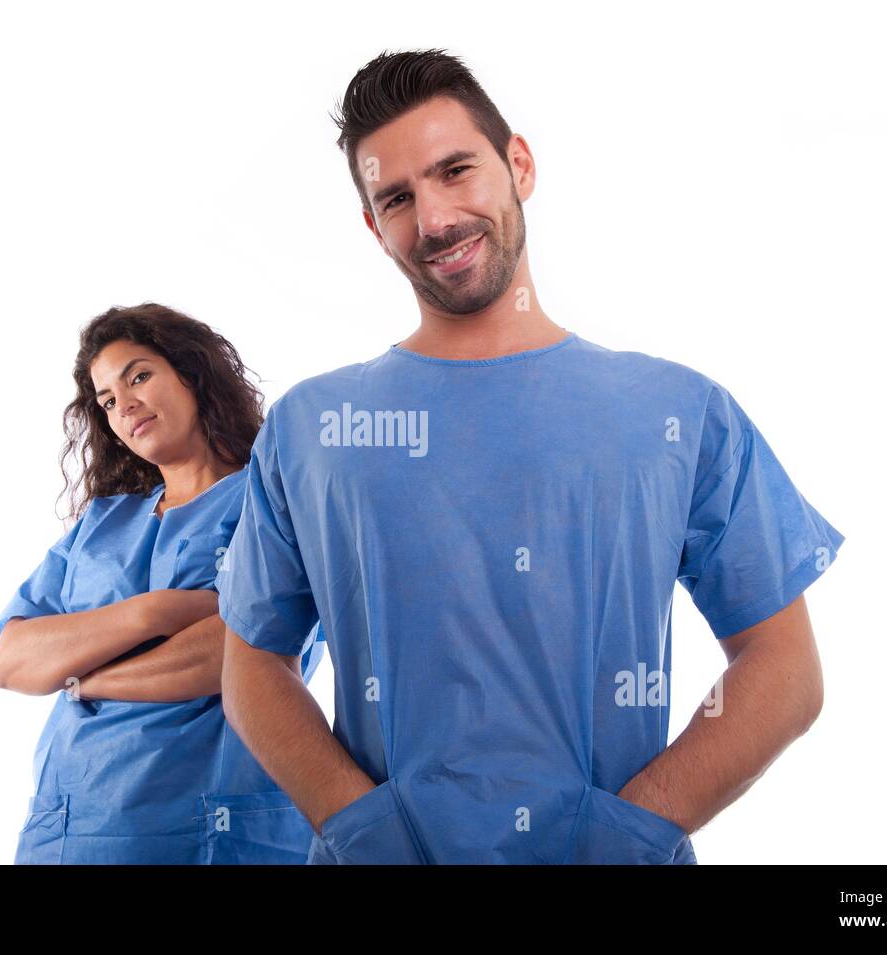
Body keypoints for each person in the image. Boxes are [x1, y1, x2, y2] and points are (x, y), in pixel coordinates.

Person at [216, 49, 845, 864]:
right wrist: (364, 828)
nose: (435, 219)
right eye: (398, 197)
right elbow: (253, 664)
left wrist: (624, 833)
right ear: (374, 227)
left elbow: (784, 667)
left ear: (518, 163)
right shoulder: (311, 429)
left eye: (455, 171)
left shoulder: (677, 413)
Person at [0, 303, 323, 864]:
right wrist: (157, 613)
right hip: (68, 834)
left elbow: (241, 650)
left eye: (139, 375)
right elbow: (10, 660)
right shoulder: (101, 523)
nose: (126, 406)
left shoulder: (275, 500)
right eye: (108, 401)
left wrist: (81, 676)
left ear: (193, 374)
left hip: (211, 835)